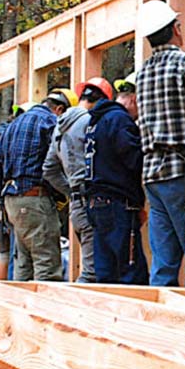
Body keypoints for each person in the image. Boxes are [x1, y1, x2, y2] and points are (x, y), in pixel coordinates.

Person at [135, 0, 185, 286]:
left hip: (153, 176)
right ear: (176, 30)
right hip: (182, 174)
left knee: (164, 264)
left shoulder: (142, 73)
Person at [0, 89, 74, 281]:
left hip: (13, 201)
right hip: (35, 200)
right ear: (59, 109)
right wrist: (67, 189)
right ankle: (43, 309)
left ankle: (20, 308)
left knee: (23, 263)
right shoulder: (50, 122)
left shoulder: (13, 124)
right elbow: (60, 160)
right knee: (47, 266)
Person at [44, 77, 114, 283]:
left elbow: (48, 169)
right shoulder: (90, 121)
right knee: (92, 272)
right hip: (92, 199)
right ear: (101, 100)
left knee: (90, 260)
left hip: (77, 202)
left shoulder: (59, 127)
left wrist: (70, 190)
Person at [84, 88, 148, 285]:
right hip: (117, 201)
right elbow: (132, 157)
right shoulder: (119, 119)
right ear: (134, 100)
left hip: (97, 201)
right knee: (131, 272)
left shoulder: (95, 122)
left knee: (106, 271)